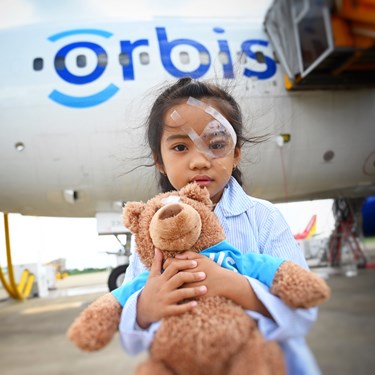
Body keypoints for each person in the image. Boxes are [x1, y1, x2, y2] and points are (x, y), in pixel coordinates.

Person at [118, 77, 321, 374]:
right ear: (158, 160)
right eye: (180, 147)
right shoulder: (149, 232)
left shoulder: (263, 217)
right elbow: (128, 330)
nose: (199, 160)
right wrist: (146, 308)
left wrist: (231, 285)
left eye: (215, 144)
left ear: (236, 153)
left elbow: (303, 308)